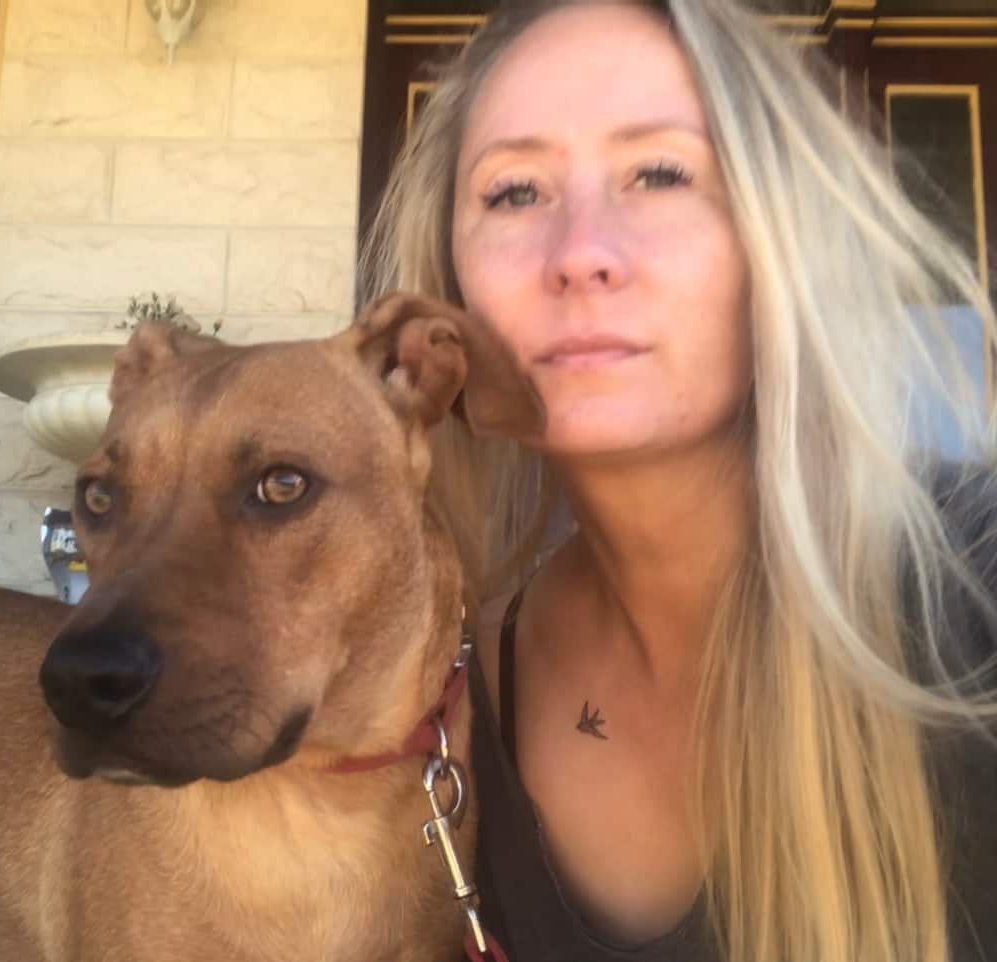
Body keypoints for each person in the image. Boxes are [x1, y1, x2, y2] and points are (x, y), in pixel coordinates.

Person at [359, 1, 997, 960]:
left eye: (660, 174)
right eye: (515, 192)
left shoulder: (972, 592)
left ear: (777, 234)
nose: (580, 254)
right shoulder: (447, 692)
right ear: (447, 291)